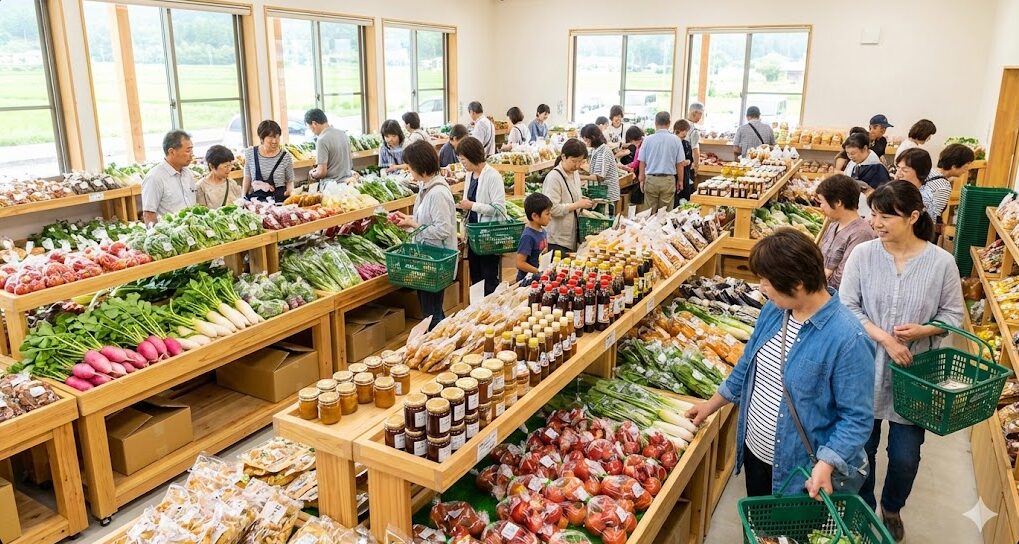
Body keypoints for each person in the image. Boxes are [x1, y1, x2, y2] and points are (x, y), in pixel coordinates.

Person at [686, 228, 874, 499]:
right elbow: (746, 366)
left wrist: (828, 462)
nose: (761, 288)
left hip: (803, 473)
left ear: (796, 283)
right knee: (760, 534)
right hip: (755, 455)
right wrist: (710, 406)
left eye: (766, 281)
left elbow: (856, 418)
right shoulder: (774, 311)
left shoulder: (848, 338)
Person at [839, 181, 965, 541]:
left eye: (884, 216)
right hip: (864, 368)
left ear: (913, 216)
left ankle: (891, 508)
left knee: (906, 456)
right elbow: (847, 306)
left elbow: (954, 314)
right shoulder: (863, 255)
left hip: (913, 375)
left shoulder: (942, 263)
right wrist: (886, 340)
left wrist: (925, 331)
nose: (875, 222)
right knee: (862, 449)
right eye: (873, 214)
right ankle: (862, 508)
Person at [392, 141, 458, 330]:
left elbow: (442, 229)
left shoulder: (437, 193)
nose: (409, 170)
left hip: (436, 261)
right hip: (428, 258)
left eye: (410, 166)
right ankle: (442, 341)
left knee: (432, 313)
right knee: (431, 309)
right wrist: (409, 220)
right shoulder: (426, 187)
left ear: (420, 166)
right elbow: (426, 219)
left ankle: (440, 346)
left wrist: (415, 224)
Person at [456, 136, 506, 296]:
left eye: (463, 159)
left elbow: (499, 208)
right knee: (476, 277)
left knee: (489, 277)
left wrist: (472, 206)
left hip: (489, 237)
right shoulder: (470, 176)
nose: (462, 163)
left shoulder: (493, 176)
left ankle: (492, 312)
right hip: (474, 236)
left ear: (472, 156)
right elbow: (468, 201)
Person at [816, 174, 875, 289]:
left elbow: (844, 276)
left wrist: (825, 274)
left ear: (838, 202)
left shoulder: (861, 234)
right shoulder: (834, 224)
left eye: (822, 202)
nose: (821, 207)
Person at [542, 139, 594, 254]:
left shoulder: (574, 173)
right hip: (557, 239)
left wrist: (583, 203)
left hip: (571, 236)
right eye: (574, 161)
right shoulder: (554, 178)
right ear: (564, 157)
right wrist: (577, 204)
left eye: (580, 161)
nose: (577, 165)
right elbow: (552, 209)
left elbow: (573, 197)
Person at [142, 130, 196, 224]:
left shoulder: (188, 174)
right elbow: (148, 214)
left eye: (192, 150)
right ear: (172, 152)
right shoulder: (155, 177)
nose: (192, 154)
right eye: (188, 150)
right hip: (171, 235)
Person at [639, 111, 686, 213]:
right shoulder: (676, 140)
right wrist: (681, 181)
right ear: (669, 123)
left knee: (648, 213)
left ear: (655, 123)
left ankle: (648, 229)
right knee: (664, 214)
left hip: (651, 179)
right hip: (668, 180)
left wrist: (641, 179)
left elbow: (642, 162)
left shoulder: (647, 140)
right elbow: (680, 164)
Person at [242, 120, 295, 202]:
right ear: (262, 138)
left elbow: (290, 181)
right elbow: (247, 177)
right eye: (271, 137)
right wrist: (243, 196)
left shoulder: (285, 156)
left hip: (279, 201)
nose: (274, 141)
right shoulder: (250, 153)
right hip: (257, 202)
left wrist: (289, 193)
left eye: (277, 137)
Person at [894, 148, 947, 226]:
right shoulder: (895, 189)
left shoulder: (927, 197)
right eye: (898, 168)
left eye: (905, 171)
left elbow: (928, 226)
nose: (898, 174)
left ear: (921, 173)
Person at [305, 108, 352, 187]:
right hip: (348, 183)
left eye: (309, 127)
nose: (311, 131)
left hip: (332, 187)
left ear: (314, 123)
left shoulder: (322, 139)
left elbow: (322, 172)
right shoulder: (342, 134)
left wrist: (312, 174)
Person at [579, 124, 620, 207]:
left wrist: (579, 177)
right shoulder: (596, 150)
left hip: (607, 194)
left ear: (593, 137)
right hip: (601, 192)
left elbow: (599, 177)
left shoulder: (604, 152)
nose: (585, 141)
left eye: (586, 139)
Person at [515, 192, 552, 283]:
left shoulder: (542, 231)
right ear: (535, 216)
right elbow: (520, 263)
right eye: (547, 214)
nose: (550, 217)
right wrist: (538, 272)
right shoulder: (528, 236)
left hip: (538, 277)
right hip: (527, 281)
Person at [196, 145, 241, 209]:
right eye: (226, 166)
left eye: (230, 165)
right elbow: (202, 213)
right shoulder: (201, 187)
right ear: (212, 166)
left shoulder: (232, 183)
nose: (229, 169)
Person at [673, 119, 694, 204]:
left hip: (684, 174)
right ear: (676, 131)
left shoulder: (686, 144)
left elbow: (691, 159)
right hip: (673, 175)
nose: (685, 134)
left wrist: (688, 162)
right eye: (683, 131)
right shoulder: (672, 142)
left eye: (686, 131)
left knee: (685, 199)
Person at [686, 102, 704, 180]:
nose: (700, 117)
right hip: (688, 164)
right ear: (695, 112)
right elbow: (695, 150)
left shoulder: (679, 124)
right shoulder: (694, 130)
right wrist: (696, 166)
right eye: (701, 114)